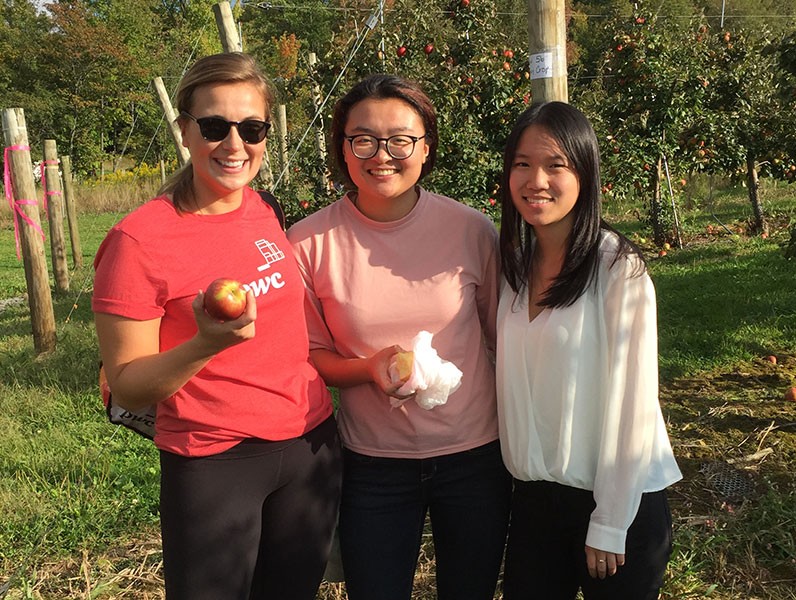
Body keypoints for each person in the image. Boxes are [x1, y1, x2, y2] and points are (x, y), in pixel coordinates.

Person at [92, 52, 341, 600]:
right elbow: (128, 383)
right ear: (184, 129)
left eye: (252, 128)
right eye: (214, 126)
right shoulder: (139, 241)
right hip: (214, 459)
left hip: (308, 445)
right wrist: (204, 345)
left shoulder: (265, 209)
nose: (235, 144)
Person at [287, 74, 511, 600]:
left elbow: (503, 333)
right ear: (341, 146)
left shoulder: (471, 230)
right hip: (373, 461)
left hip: (475, 454)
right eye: (362, 138)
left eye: (400, 140)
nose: (381, 154)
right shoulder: (308, 242)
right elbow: (313, 355)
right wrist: (367, 369)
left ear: (425, 147)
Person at [495, 100, 683, 600]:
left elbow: (633, 401)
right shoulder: (514, 268)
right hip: (535, 502)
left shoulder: (617, 269)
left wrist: (609, 520)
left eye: (556, 165)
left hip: (614, 504)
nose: (537, 180)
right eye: (522, 164)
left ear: (584, 173)